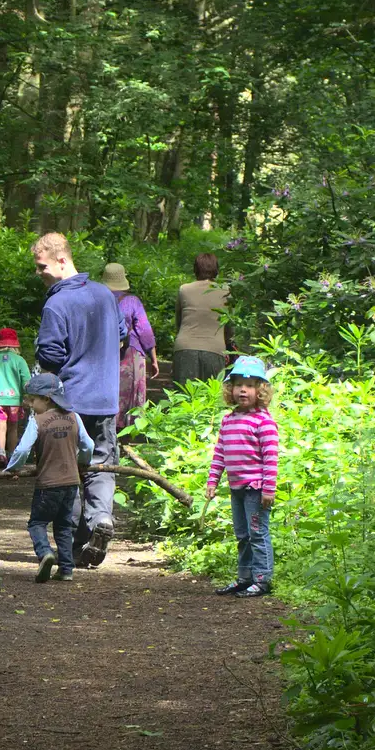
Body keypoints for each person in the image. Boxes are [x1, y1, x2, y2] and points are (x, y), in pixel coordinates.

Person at [31, 232, 124, 569]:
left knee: (65, 469)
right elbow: (122, 335)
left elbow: (51, 355)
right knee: (101, 464)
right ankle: (100, 519)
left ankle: (70, 539)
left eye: (41, 267)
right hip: (104, 398)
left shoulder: (56, 303)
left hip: (69, 401)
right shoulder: (104, 294)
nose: (38, 273)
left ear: (61, 260)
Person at [6, 373, 95, 583]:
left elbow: (22, 450)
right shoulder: (74, 417)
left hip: (48, 484)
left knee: (37, 522)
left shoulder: (38, 421)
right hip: (71, 483)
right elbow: (88, 445)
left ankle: (45, 553)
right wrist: (83, 463)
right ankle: (66, 569)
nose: (29, 403)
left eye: (33, 399)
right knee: (64, 526)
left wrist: (12, 469)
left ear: (47, 399)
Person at [203, 356, 279, 598]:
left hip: (256, 489)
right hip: (236, 488)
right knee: (242, 535)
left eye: (250, 385)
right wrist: (212, 480)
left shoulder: (263, 422)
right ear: (230, 389)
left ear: (261, 390)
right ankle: (245, 577)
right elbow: (220, 454)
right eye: (237, 385)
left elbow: (271, 458)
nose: (243, 390)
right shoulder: (229, 420)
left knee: (257, 533)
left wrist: (269, 488)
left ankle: (262, 579)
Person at [98, 262, 160, 430]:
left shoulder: (98, 300)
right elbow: (145, 331)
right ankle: (129, 428)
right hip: (131, 352)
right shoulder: (132, 301)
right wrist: (153, 358)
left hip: (104, 352)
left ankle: (107, 425)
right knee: (130, 390)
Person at [174, 252, 232, 384]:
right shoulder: (225, 291)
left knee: (184, 397)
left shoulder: (184, 289)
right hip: (215, 349)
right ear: (216, 270)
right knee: (211, 398)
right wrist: (229, 345)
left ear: (195, 269)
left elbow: (179, 321)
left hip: (185, 348)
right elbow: (229, 325)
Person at [0, 327, 32, 467]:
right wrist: (26, 395)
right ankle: (11, 455)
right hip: (14, 401)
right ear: (15, 344)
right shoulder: (19, 360)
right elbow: (26, 381)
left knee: (0, 427)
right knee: (13, 428)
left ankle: (1, 453)